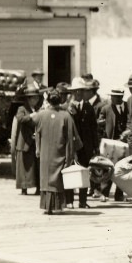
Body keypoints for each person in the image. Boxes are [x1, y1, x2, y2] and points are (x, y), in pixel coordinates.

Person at [34, 90, 81, 215]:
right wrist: (70, 155)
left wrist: (38, 149)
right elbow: (71, 138)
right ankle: (57, 206)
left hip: (45, 153)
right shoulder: (66, 116)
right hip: (60, 152)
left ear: (48, 100)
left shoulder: (41, 115)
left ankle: (47, 206)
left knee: (46, 179)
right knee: (58, 179)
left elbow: (36, 132)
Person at [67, 77, 99, 208]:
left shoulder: (88, 108)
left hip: (86, 146)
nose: (78, 93)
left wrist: (95, 147)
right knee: (70, 171)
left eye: (80, 91)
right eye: (75, 91)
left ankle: (82, 200)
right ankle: (69, 201)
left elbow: (93, 128)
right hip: (72, 146)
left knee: (85, 173)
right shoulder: (68, 108)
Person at [11, 88, 41, 195]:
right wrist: (31, 116)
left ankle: (38, 187)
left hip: (35, 140)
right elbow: (20, 119)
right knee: (25, 166)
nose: (36, 100)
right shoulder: (22, 108)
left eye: (37, 97)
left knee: (36, 166)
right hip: (25, 141)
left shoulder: (38, 108)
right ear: (29, 99)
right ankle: (24, 188)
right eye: (34, 98)